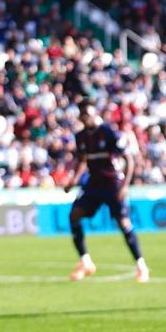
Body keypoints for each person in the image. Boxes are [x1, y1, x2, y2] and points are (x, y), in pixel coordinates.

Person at [64, 99, 150, 283]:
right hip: (94, 183)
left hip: (112, 184)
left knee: (123, 223)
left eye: (88, 114)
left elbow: (129, 159)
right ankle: (86, 262)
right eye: (83, 115)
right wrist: (73, 180)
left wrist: (125, 185)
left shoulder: (109, 133)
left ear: (95, 113)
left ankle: (141, 266)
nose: (85, 118)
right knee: (74, 215)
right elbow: (82, 160)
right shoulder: (81, 136)